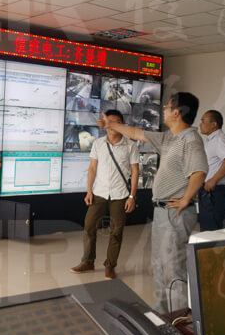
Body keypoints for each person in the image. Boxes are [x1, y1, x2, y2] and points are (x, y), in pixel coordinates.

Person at [98, 92, 208, 313]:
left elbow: (199, 171)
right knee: (159, 264)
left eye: (167, 106)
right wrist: (112, 124)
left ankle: (178, 317)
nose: (164, 110)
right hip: (162, 211)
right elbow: (137, 133)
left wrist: (186, 199)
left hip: (175, 212)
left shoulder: (190, 140)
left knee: (173, 267)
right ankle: (163, 312)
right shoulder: (169, 137)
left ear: (177, 113)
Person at [70, 109, 139, 279]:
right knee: (89, 226)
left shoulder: (130, 145)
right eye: (109, 122)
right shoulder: (98, 143)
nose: (112, 125)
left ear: (122, 125)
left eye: (116, 122)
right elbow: (92, 168)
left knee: (116, 231)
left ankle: (110, 265)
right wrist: (89, 191)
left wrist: (132, 196)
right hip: (99, 192)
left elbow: (135, 172)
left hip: (120, 194)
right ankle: (88, 262)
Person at [198, 110, 225, 231]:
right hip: (208, 192)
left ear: (213, 124)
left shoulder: (219, 139)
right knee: (207, 230)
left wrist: (213, 180)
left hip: (215, 193)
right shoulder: (210, 140)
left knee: (212, 231)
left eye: (203, 121)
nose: (200, 124)